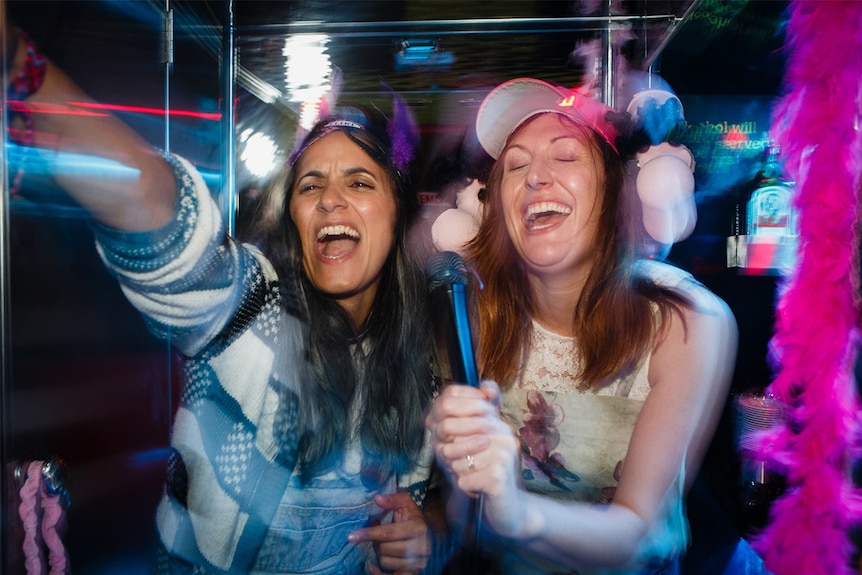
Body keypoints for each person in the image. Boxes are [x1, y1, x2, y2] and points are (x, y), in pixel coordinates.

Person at [4, 15, 450, 575]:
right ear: (293, 217)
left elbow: (436, 500)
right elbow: (159, 218)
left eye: (359, 182)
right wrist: (22, 68)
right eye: (311, 185)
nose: (330, 200)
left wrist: (427, 534)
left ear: (398, 211)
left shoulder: (424, 362)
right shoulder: (254, 312)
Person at [426, 78, 738, 574]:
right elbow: (470, 521)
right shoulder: (474, 319)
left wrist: (518, 512)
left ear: (614, 191)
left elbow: (640, 536)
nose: (535, 178)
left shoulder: (682, 320)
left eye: (566, 156)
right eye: (515, 165)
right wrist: (447, 496)